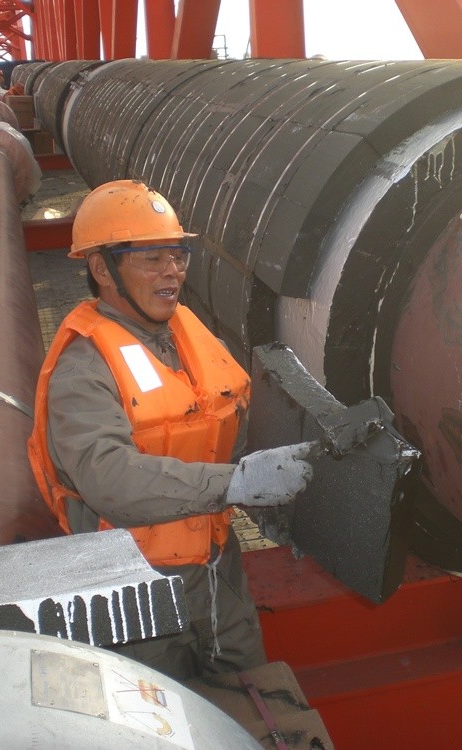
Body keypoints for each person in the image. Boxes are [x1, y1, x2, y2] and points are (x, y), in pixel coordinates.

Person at [27, 179, 314, 681]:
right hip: (134, 591)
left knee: (253, 694)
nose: (173, 271)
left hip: (217, 570)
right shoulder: (82, 370)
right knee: (158, 710)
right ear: (102, 269)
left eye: (178, 256)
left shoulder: (183, 330)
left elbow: (233, 419)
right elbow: (111, 480)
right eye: (152, 258)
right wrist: (238, 483)